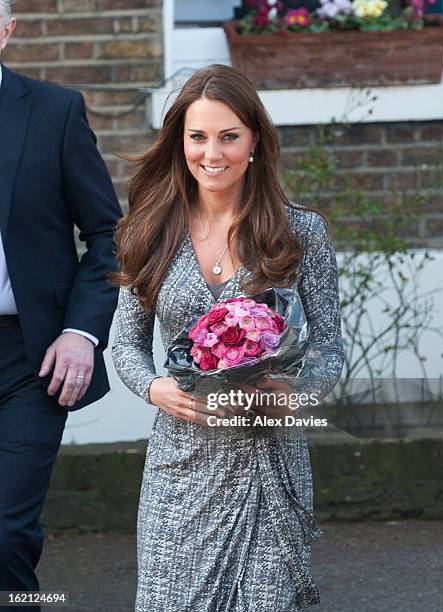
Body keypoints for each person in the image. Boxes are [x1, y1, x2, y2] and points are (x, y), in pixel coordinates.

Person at [112, 64, 344, 611]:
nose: (211, 154)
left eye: (228, 136)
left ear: (254, 141)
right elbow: (124, 343)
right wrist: (154, 389)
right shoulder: (146, 232)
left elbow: (329, 350)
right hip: (181, 468)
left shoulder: (300, 232)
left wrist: (293, 397)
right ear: (179, 143)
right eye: (198, 137)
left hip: (268, 463)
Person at [0, 3, 122, 607]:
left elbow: (107, 235)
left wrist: (81, 331)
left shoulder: (55, 111)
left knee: (6, 530)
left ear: (6, 29)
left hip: (32, 353)